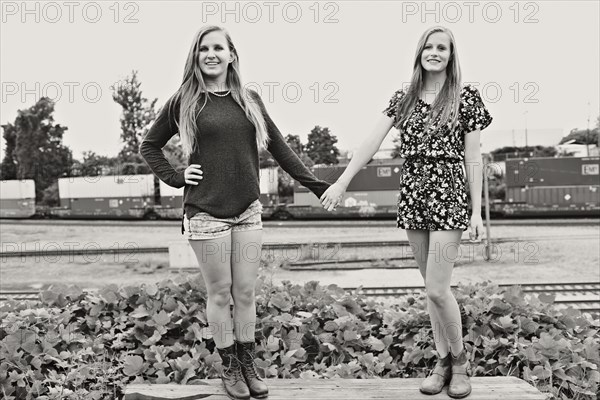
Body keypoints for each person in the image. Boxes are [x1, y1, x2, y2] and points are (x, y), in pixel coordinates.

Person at [140, 25, 330, 400]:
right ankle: (229, 368)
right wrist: (176, 178)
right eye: (203, 49)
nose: (210, 54)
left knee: (245, 293)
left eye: (218, 48)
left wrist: (319, 187)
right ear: (196, 56)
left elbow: (281, 149)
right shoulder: (185, 100)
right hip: (206, 212)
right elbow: (150, 146)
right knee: (220, 293)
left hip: (248, 211)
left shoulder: (249, 99)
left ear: (232, 55)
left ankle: (247, 365)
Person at [320, 26, 492, 398]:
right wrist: (342, 181)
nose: (434, 52)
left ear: (450, 55)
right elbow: (371, 140)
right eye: (428, 46)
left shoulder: (466, 97)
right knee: (431, 291)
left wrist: (476, 212)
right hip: (414, 194)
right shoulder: (405, 96)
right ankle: (441, 361)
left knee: (437, 288)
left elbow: (473, 157)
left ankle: (460, 363)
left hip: (448, 195)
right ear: (419, 53)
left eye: (441, 47)